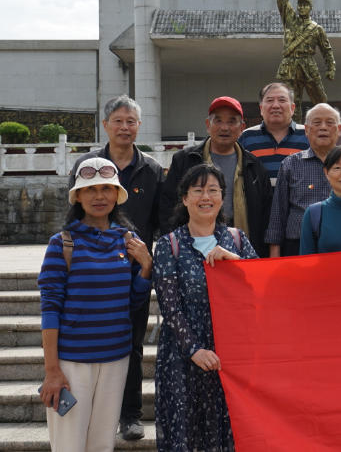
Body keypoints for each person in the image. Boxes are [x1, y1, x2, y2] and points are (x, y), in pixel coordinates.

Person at [39, 157, 152, 452]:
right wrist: (52, 370)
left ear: (117, 195)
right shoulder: (62, 243)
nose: (99, 196)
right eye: (90, 189)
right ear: (77, 196)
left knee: (102, 444)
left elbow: (132, 302)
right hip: (72, 362)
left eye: (106, 188)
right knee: (69, 445)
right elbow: (50, 309)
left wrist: (145, 268)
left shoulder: (128, 241)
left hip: (116, 358)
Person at [68, 94, 163, 440]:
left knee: (132, 343)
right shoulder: (87, 165)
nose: (125, 127)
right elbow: (73, 214)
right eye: (118, 121)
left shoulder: (152, 169)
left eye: (131, 121)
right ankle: (87, 411)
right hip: (90, 270)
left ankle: (130, 414)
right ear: (105, 125)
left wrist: (150, 262)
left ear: (139, 126)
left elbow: (161, 222)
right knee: (84, 338)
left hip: (133, 273)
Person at [153, 164, 258, 452]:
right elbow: (170, 307)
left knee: (229, 431)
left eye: (213, 190)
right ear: (184, 198)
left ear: (222, 197)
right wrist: (194, 350)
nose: (206, 197)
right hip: (182, 356)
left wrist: (235, 261)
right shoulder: (169, 245)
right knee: (185, 432)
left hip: (231, 354)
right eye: (198, 190)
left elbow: (260, 287)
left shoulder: (236, 239)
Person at [159, 95, 272, 258]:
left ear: (242, 127)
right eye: (218, 121)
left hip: (240, 249)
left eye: (232, 121)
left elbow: (266, 216)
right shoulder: (185, 161)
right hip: (191, 250)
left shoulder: (255, 167)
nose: (224, 128)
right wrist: (174, 248)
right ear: (208, 125)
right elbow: (167, 207)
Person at [265, 103, 341, 257]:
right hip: (297, 245)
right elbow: (278, 213)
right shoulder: (290, 164)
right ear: (306, 130)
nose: (323, 127)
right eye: (317, 123)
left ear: (339, 129)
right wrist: (274, 254)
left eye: (329, 123)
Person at [272, 0, 336, 123]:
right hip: (290, 65)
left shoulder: (316, 29)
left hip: (308, 64)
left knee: (320, 98)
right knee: (292, 102)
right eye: (300, 5)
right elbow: (283, 0)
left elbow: (326, 50)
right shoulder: (290, 21)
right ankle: (295, 129)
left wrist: (331, 68)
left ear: (310, 8)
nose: (301, 8)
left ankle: (325, 124)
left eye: (305, 5)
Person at [238, 82, 309, 186]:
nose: (275, 105)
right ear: (261, 108)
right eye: (270, 100)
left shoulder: (308, 135)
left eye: (282, 100)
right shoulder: (246, 137)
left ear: (293, 108)